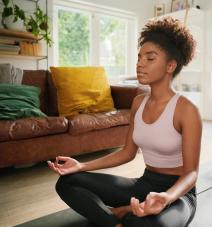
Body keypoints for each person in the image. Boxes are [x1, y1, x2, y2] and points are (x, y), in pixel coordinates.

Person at [48, 17, 202, 227]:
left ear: (170, 65)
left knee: (154, 225)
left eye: (150, 58)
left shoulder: (187, 110)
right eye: (139, 57)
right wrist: (82, 165)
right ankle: (118, 219)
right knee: (68, 182)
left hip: (179, 195)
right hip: (144, 183)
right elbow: (127, 152)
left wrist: (166, 197)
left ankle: (122, 214)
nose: (140, 63)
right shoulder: (138, 103)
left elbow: (191, 173)